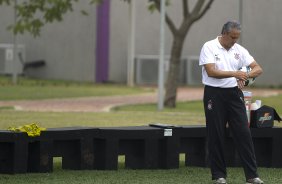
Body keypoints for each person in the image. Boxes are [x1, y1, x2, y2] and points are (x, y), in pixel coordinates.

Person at [199, 20, 264, 184]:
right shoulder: (209, 46)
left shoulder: (239, 50)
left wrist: (245, 75)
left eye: (238, 37)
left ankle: (252, 175)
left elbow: (258, 68)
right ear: (224, 33)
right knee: (216, 134)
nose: (235, 40)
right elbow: (211, 71)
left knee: (244, 133)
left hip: (235, 95)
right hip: (214, 94)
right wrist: (236, 73)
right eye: (233, 37)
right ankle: (219, 176)